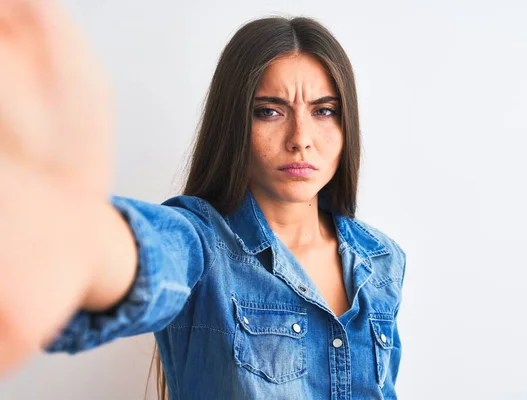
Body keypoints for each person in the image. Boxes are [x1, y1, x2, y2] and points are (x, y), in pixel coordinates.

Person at [0, 1, 407, 399]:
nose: (301, 137)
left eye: (324, 111)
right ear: (234, 124)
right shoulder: (201, 242)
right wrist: (58, 222)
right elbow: (145, 254)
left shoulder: (382, 260)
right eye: (269, 111)